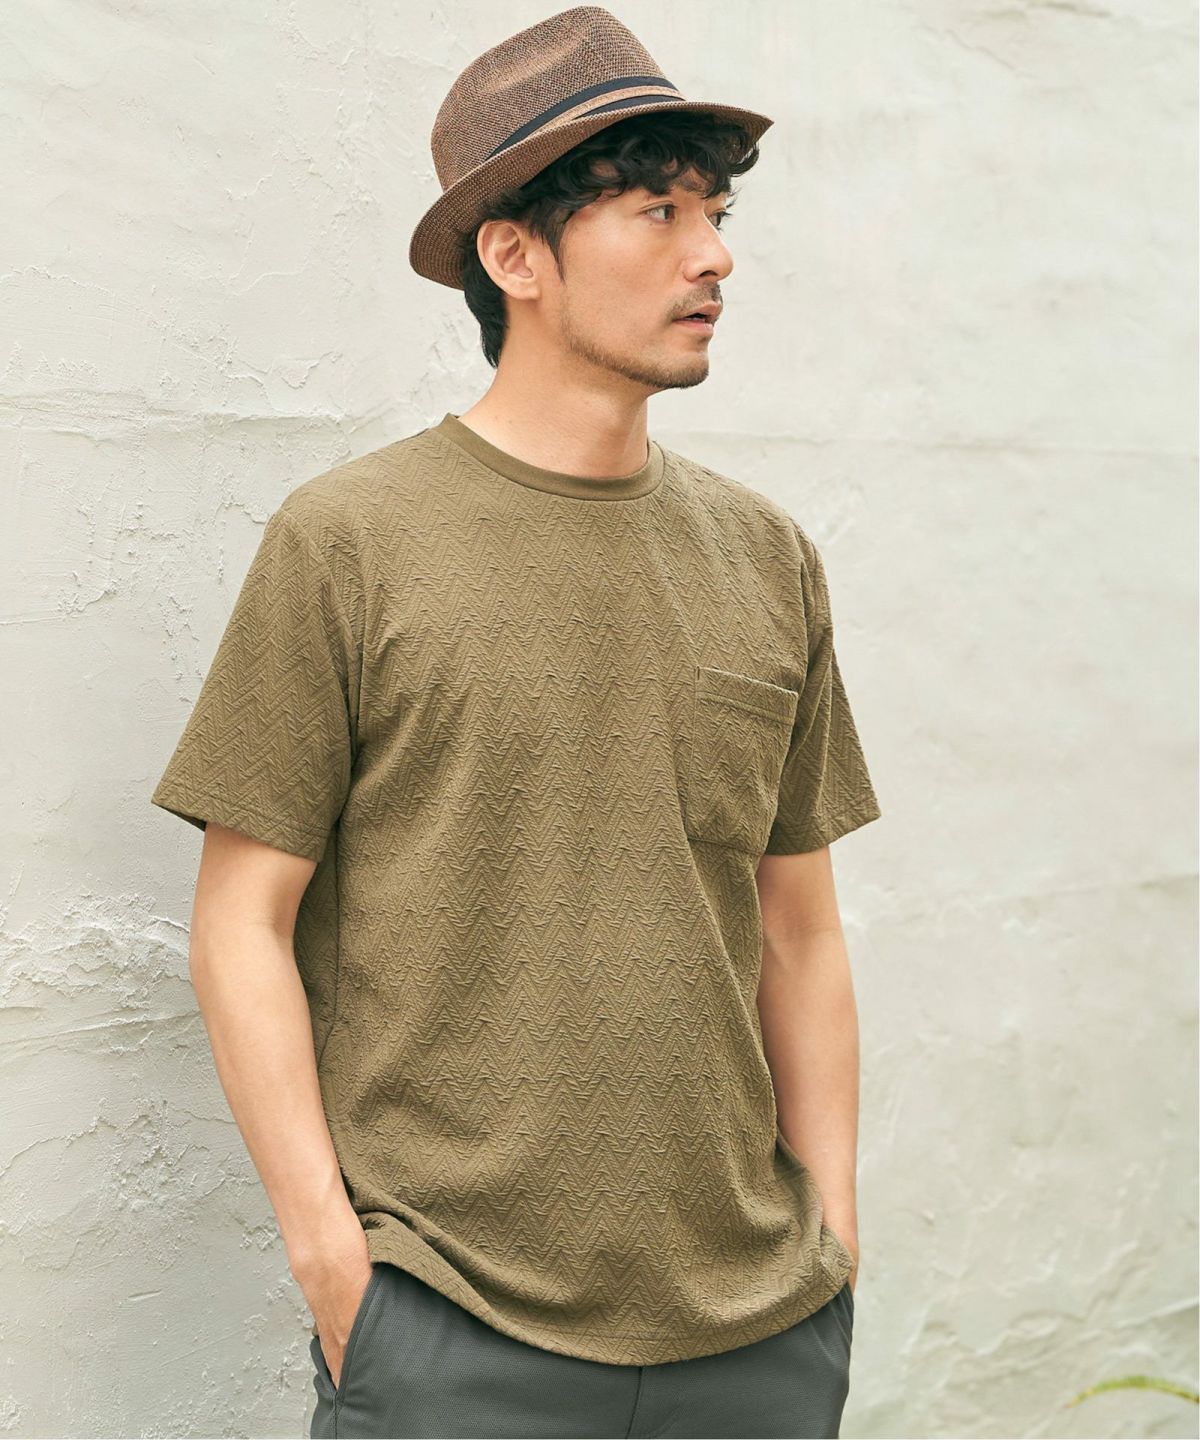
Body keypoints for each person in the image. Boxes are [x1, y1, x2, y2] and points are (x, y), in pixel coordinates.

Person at [150, 7, 882, 1437]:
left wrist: (834, 1240)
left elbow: (799, 928)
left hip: (758, 1338)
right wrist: (337, 1268)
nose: (714, 255)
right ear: (515, 257)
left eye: (717, 212)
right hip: (451, 1328)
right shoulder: (348, 543)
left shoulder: (767, 556)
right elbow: (239, 922)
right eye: (658, 211)